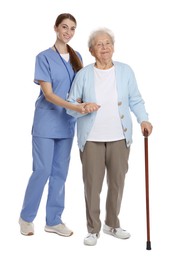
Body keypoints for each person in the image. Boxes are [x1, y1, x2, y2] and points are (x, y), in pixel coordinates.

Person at [66, 28, 153, 246]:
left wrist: (143, 119)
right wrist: (83, 106)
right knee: (92, 186)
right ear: (91, 50)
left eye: (108, 43)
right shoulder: (83, 74)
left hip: (119, 138)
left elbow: (135, 100)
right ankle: (93, 229)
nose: (104, 48)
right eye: (99, 44)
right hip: (92, 138)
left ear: (113, 47)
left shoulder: (125, 71)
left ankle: (112, 224)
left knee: (117, 183)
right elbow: (70, 105)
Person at [19, 13, 97, 237]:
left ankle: (53, 220)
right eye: (65, 27)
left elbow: (79, 91)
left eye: (72, 28)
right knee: (42, 171)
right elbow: (49, 95)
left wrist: (85, 104)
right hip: (46, 122)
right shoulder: (43, 57)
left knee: (60, 173)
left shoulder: (78, 56)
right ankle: (26, 218)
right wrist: (75, 107)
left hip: (67, 124)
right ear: (55, 28)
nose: (68, 32)